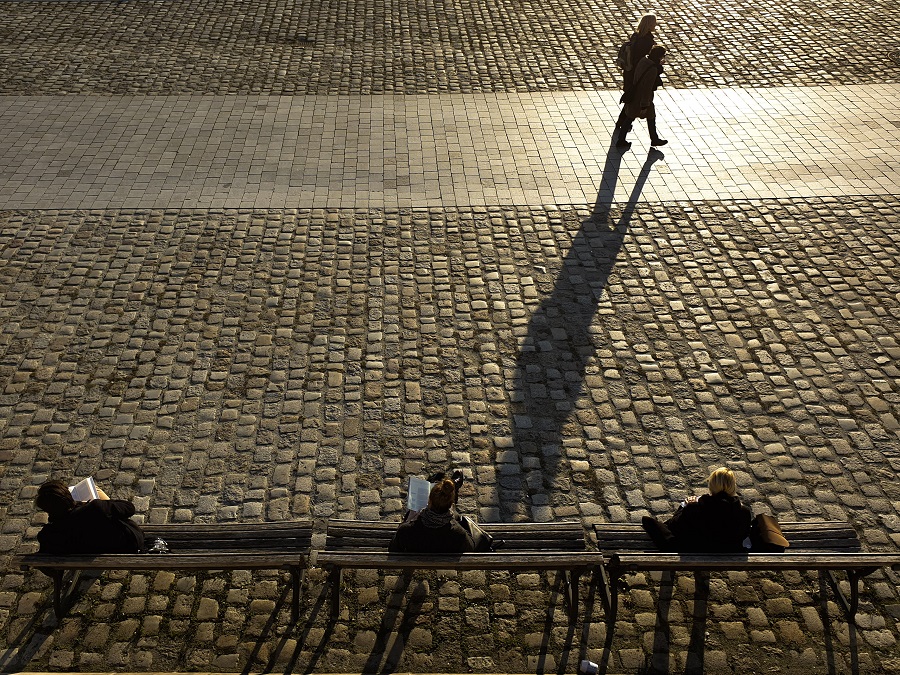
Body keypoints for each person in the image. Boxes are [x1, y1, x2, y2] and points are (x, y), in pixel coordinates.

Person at [642, 467, 752, 553]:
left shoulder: (694, 508)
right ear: (733, 486)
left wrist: (685, 506)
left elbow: (673, 526)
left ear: (711, 485)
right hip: (727, 551)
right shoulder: (744, 512)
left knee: (650, 523)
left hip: (695, 550)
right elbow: (742, 535)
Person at [35, 480, 146, 554]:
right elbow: (129, 508)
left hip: (94, 548)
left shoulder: (49, 535)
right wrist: (102, 503)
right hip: (128, 544)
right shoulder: (95, 508)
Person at [389, 477, 476, 553]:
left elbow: (393, 548)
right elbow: (471, 547)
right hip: (445, 560)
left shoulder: (406, 530)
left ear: (429, 501)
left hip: (416, 559)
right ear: (451, 505)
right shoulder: (458, 533)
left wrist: (408, 521)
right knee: (458, 517)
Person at [616, 45, 669, 150]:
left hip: (636, 93)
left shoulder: (644, 60)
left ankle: (654, 138)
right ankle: (621, 140)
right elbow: (647, 88)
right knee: (631, 118)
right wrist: (644, 104)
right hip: (642, 99)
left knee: (647, 117)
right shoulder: (653, 69)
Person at [620, 14, 657, 102]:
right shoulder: (646, 40)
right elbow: (644, 57)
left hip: (630, 69)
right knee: (638, 97)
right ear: (649, 25)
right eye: (654, 23)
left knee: (631, 96)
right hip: (638, 71)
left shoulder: (636, 36)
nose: (655, 25)